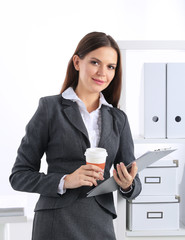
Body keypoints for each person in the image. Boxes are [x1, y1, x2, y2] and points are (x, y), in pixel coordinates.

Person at [9, 32, 142, 240]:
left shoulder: (119, 119)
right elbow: (19, 176)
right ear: (77, 62)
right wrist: (66, 180)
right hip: (56, 223)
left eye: (110, 66)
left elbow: (134, 184)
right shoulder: (50, 108)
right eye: (95, 62)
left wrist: (128, 184)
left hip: (100, 222)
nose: (102, 73)